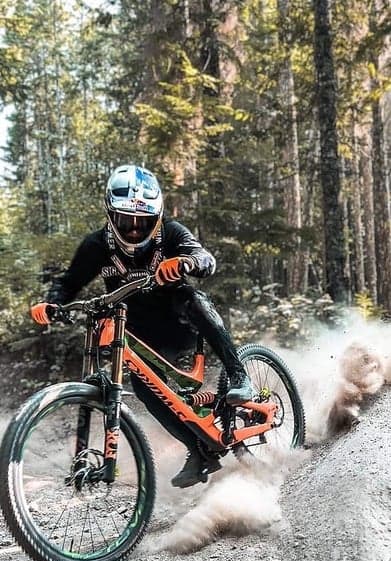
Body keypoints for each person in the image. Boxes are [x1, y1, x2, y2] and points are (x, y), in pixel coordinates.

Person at [31, 164, 253, 488]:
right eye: (126, 220)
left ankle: (239, 374)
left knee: (193, 298)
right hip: (138, 332)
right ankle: (199, 449)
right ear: (110, 214)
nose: (134, 229)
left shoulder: (173, 233)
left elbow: (204, 258)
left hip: (181, 324)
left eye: (143, 222)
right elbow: (68, 284)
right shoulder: (96, 246)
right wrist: (50, 304)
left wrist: (186, 262)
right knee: (141, 386)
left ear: (157, 216)